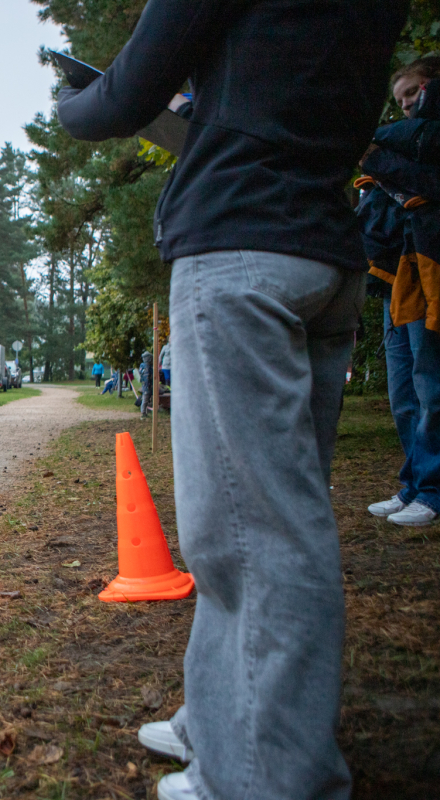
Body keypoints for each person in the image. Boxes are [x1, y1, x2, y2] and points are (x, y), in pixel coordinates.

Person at [55, 2, 407, 799]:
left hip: (240, 249)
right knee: (259, 524)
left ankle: (269, 776)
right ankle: (220, 722)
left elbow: (119, 97)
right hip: (323, 250)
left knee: (255, 537)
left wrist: (68, 100)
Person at [357, 57, 440, 528]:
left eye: (414, 91)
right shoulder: (401, 141)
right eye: (401, 98)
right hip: (395, 279)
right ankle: (413, 484)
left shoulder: (425, 140)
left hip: (426, 271)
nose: (407, 103)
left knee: (430, 388)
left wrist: (376, 156)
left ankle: (431, 490)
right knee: (403, 392)